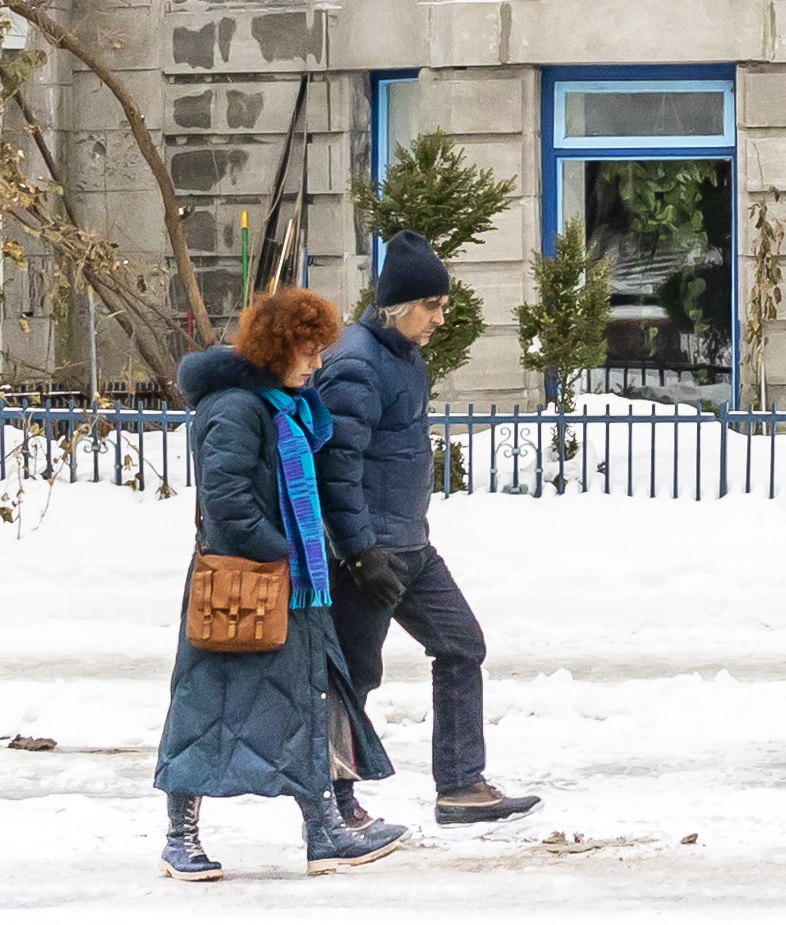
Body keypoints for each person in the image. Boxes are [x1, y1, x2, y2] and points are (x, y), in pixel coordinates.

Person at [158, 284, 403, 879]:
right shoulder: (237, 408)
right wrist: (285, 555)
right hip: (243, 586)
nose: (319, 363)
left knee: (309, 700)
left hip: (288, 584)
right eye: (310, 350)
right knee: (205, 710)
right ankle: (179, 838)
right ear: (276, 349)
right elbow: (228, 502)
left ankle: (324, 829)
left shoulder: (284, 406)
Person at [311, 234, 541, 827]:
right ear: (398, 304)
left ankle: (460, 785)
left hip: (411, 545)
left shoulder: (401, 357)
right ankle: (335, 807)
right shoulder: (355, 362)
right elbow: (337, 471)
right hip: (369, 553)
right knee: (353, 675)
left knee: (462, 644)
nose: (441, 317)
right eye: (433, 305)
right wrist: (360, 554)